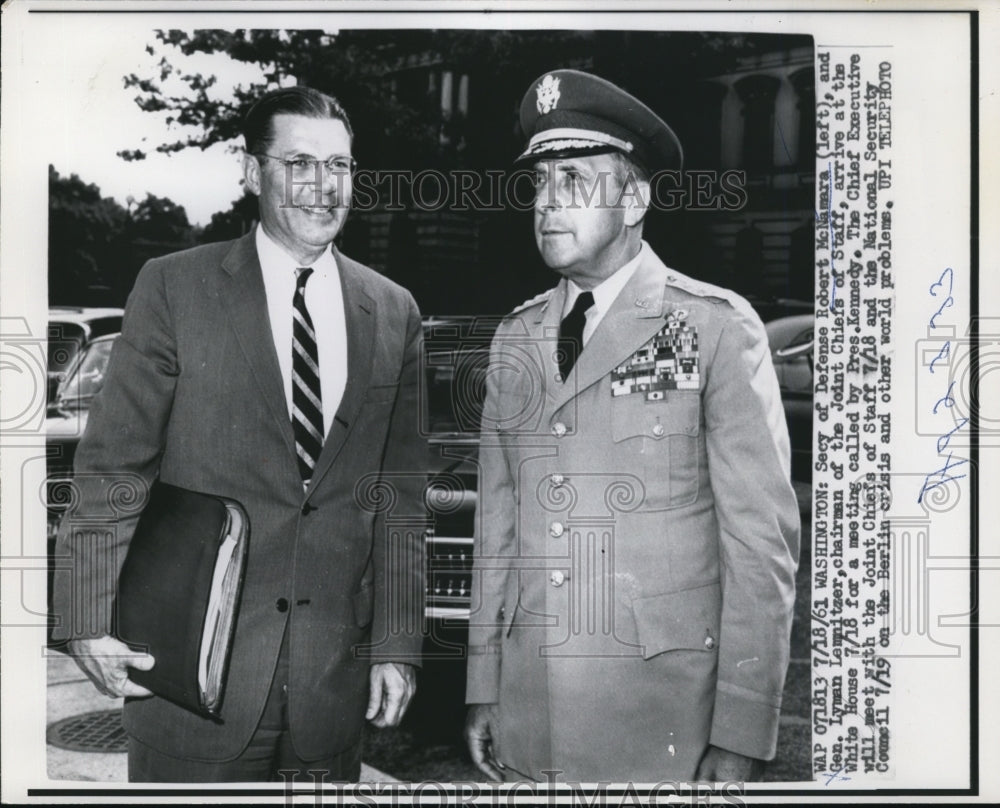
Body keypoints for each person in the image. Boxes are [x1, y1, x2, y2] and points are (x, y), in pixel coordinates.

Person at [52, 86, 426, 782]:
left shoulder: (393, 311)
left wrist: (397, 645)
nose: (324, 186)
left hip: (329, 691)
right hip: (188, 679)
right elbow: (113, 467)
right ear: (254, 173)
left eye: (340, 166)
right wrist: (85, 620)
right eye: (300, 163)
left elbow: (399, 497)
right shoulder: (174, 288)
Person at [464, 69, 800, 783]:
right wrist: (484, 684)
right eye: (540, 183)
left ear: (635, 199)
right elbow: (498, 527)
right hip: (530, 714)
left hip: (661, 722)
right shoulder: (515, 339)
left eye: (574, 180)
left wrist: (741, 732)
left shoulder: (713, 328)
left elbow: (760, 549)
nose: (547, 203)